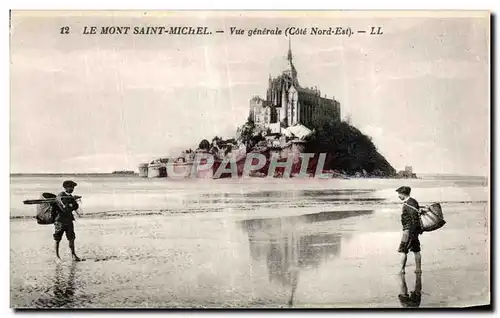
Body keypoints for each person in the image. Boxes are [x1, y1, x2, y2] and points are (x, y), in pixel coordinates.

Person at [396, 186, 423, 274]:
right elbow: (416, 216)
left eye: (399, 194)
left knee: (403, 250)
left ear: (403, 193)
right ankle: (418, 269)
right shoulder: (413, 201)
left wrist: (410, 231)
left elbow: (413, 218)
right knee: (416, 250)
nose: (398, 196)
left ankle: (401, 270)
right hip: (414, 230)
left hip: (408, 230)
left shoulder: (408, 203)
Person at [54, 180, 81, 261]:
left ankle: (73, 255)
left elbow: (76, 207)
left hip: (69, 220)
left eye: (73, 187)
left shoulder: (71, 197)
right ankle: (57, 256)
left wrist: (73, 202)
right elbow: (64, 209)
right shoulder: (61, 195)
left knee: (71, 238)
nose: (72, 189)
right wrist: (71, 204)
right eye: (70, 187)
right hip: (60, 220)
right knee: (57, 239)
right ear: (65, 187)